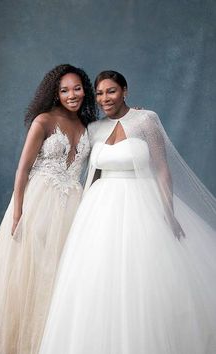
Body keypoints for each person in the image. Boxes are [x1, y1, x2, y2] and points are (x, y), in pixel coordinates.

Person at [39, 70, 216, 354]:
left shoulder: (146, 120)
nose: (104, 98)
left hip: (141, 202)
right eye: (99, 93)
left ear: (125, 90)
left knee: (145, 274)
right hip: (100, 207)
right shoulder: (94, 128)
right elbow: (88, 172)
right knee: (98, 274)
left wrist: (168, 212)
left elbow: (161, 169)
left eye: (111, 91)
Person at [0, 64, 97, 354]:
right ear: (55, 93)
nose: (72, 94)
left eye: (78, 88)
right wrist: (18, 212)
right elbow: (22, 170)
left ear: (86, 90)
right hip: (39, 203)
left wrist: (133, 114)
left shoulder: (87, 127)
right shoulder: (43, 121)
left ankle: (50, 339)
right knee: (30, 269)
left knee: (60, 272)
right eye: (65, 89)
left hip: (73, 206)